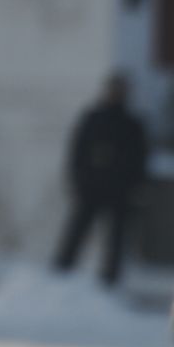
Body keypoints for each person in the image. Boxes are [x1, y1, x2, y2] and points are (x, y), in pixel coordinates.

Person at [52, 73, 149, 287]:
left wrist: (135, 187)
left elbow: (139, 159)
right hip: (91, 187)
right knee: (77, 233)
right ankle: (60, 274)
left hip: (119, 190)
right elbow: (78, 152)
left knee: (115, 240)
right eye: (114, 89)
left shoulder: (132, 124)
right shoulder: (93, 118)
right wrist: (78, 180)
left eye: (120, 90)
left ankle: (109, 282)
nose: (116, 94)